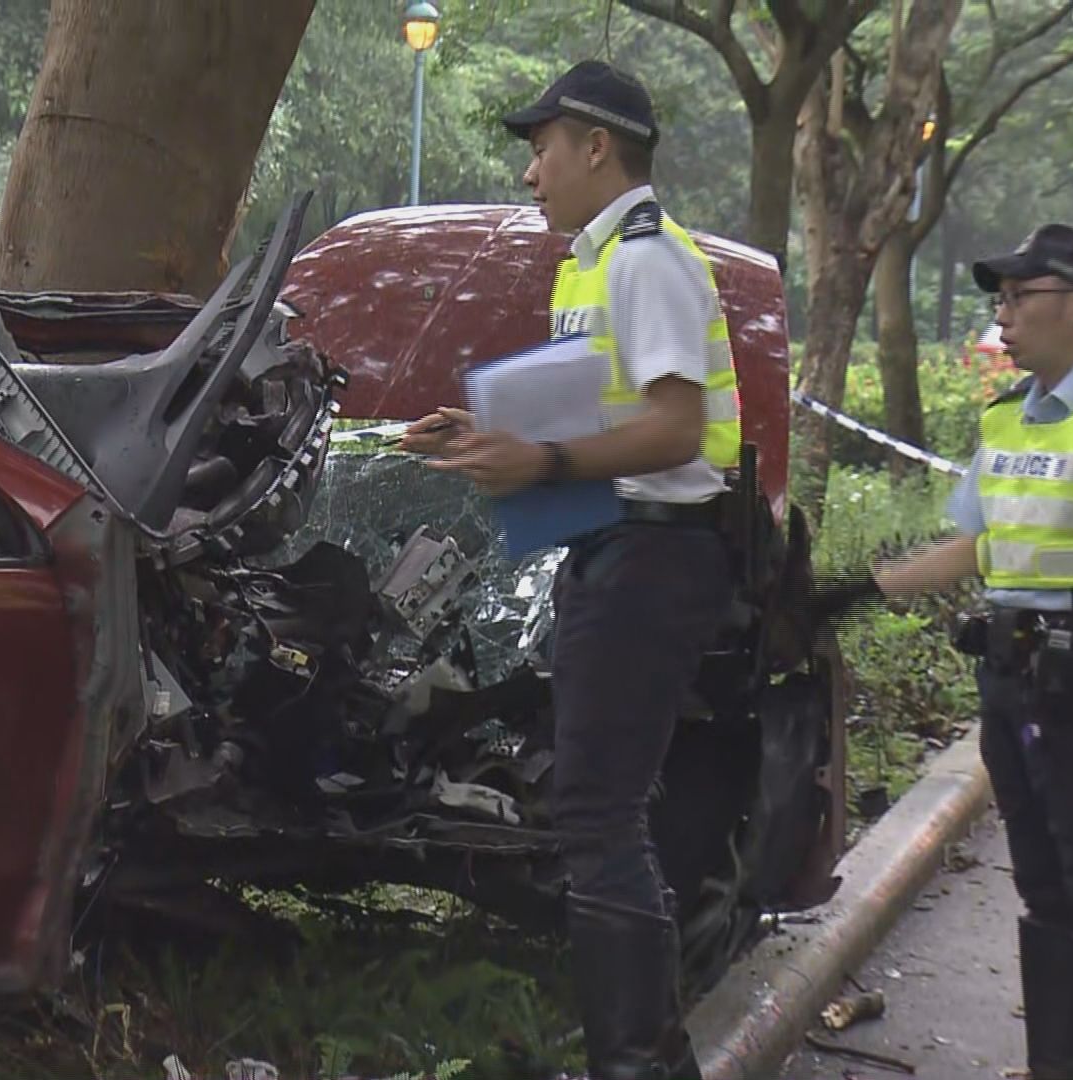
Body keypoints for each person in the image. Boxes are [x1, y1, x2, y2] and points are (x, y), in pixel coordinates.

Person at [402, 59, 741, 1080]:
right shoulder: (588, 265)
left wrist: (541, 461)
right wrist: (484, 435)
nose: (529, 172)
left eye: (541, 147)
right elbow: (610, 416)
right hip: (614, 552)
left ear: (598, 146)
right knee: (599, 814)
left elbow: (677, 428)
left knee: (600, 816)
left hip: (654, 558)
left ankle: (639, 1063)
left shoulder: (645, 259)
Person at [809, 224, 1073, 1079]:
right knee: (1046, 889)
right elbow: (976, 547)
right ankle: (1059, 1063)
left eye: (1024, 298)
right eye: (1001, 300)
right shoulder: (1009, 417)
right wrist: (863, 591)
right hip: (1018, 681)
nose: (1005, 316)